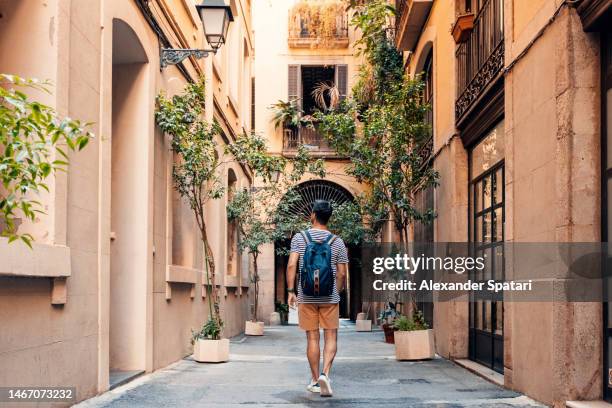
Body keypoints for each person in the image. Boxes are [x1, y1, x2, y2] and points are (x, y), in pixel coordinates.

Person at [286, 200, 348, 398]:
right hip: (329, 296)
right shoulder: (337, 242)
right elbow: (342, 274)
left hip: (306, 295)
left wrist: (290, 291)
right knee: (331, 336)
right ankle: (325, 375)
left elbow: (291, 265)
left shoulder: (300, 238)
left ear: (313, 214)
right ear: (329, 217)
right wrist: (335, 293)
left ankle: (314, 380)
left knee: (312, 337)